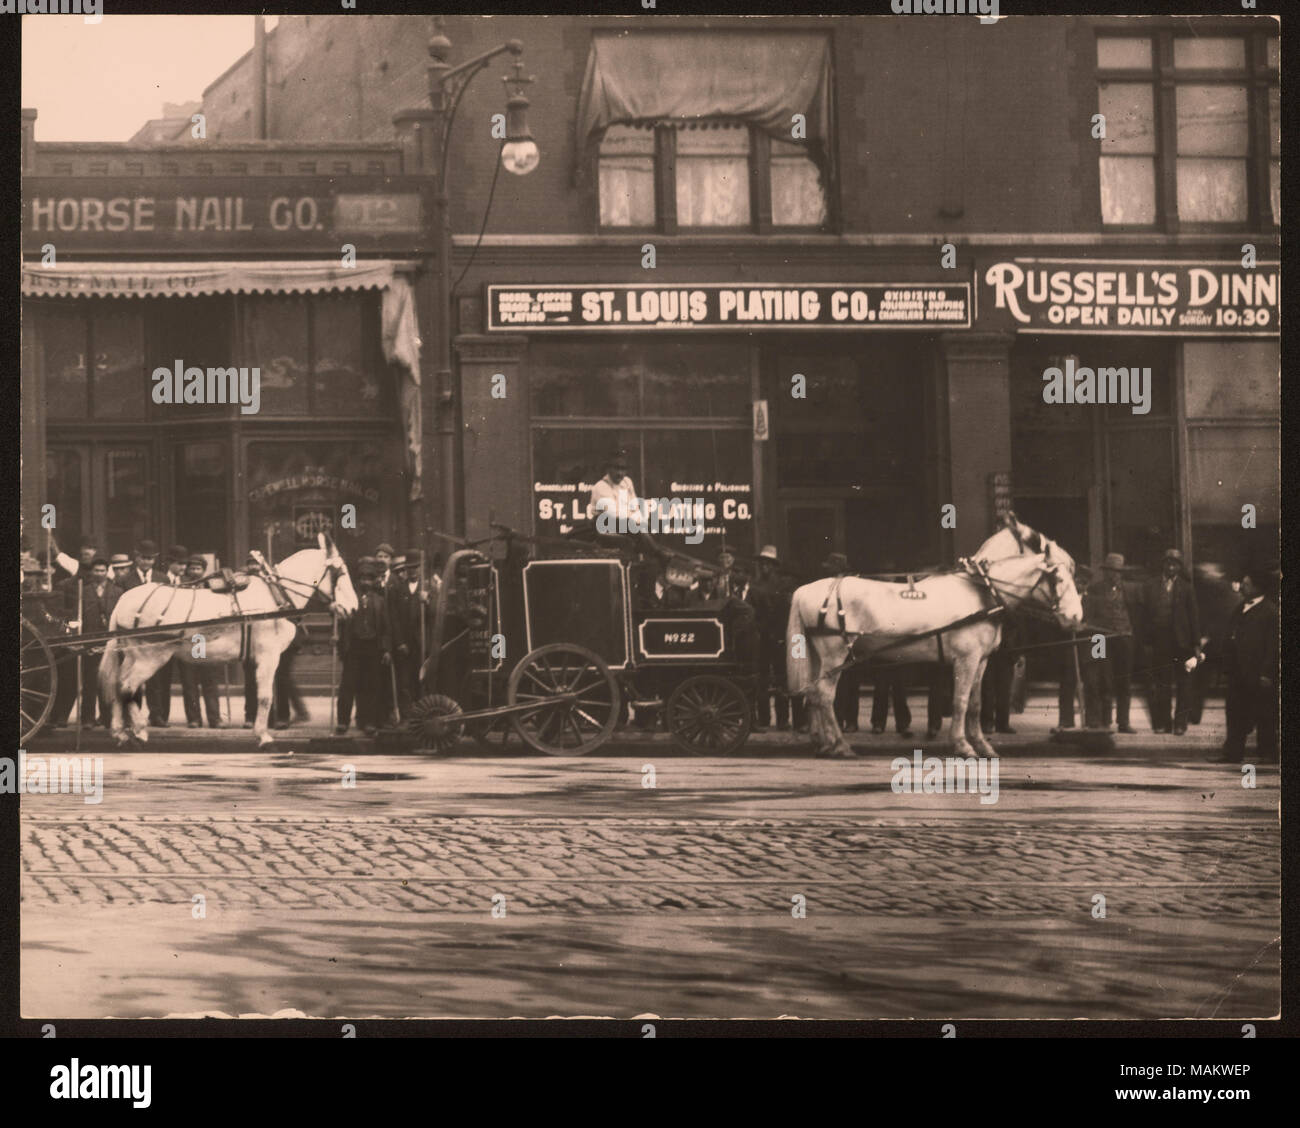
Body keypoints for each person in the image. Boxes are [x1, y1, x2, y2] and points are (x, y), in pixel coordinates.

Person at [1209, 570, 1278, 763]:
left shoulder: (1270, 612)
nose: (1242, 586)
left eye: (1246, 584)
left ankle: (1267, 754)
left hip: (1257, 673)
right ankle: (1232, 752)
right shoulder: (1241, 607)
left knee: (1264, 714)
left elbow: (1273, 646)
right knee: (1235, 712)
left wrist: (1267, 673)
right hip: (1238, 672)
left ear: (1258, 587)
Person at [53, 557, 120, 728]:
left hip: (108, 642)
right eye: (96, 570)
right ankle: (87, 719)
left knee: (107, 681)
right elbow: (77, 615)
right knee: (89, 682)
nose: (99, 573)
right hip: (89, 641)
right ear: (92, 572)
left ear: (107, 572)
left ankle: (106, 718)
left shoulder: (117, 591)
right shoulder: (83, 590)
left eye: (102, 570)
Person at [1140, 548, 1200, 735]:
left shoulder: (1186, 587)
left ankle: (1180, 723)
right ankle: (1164, 723)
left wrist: (1196, 644)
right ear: (1163, 564)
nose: (1171, 566)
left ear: (1179, 567)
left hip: (1182, 643)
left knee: (1184, 685)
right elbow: (1143, 615)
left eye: (1175, 564)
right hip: (1159, 642)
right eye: (1168, 563)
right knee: (1162, 684)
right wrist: (1145, 641)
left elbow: (1194, 616)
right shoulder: (1150, 586)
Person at [335, 561, 393, 736]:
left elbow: (385, 627)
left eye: (369, 579)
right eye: (362, 579)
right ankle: (343, 722)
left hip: (373, 647)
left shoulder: (380, 602)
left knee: (371, 686)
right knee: (347, 686)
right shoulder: (349, 599)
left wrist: (386, 649)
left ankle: (369, 722)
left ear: (374, 581)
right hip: (353, 647)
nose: (366, 583)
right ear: (358, 581)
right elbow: (340, 621)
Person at [1081, 553, 1136, 732]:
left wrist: (1129, 632)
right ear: (1105, 572)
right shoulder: (1095, 589)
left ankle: (1123, 722)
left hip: (1123, 638)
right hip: (1099, 639)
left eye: (1117, 572)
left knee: (1124, 681)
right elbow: (1088, 615)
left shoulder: (1129, 590)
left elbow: (1137, 615)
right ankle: (1099, 720)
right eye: (1110, 571)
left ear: (1121, 573)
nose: (1114, 575)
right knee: (1097, 678)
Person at [585, 449, 671, 561]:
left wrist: (641, 521)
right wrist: (636, 522)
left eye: (623, 469)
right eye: (616, 468)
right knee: (635, 527)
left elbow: (634, 506)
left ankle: (655, 560)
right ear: (608, 469)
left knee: (651, 525)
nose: (620, 473)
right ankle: (659, 555)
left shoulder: (627, 482)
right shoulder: (600, 487)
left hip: (625, 523)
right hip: (606, 525)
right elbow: (614, 514)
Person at [747, 546, 793, 730]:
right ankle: (764, 719)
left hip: (780, 638)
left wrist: (783, 634)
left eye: (768, 563)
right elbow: (751, 612)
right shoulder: (754, 585)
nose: (764, 566)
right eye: (762, 563)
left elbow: (787, 611)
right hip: (762, 638)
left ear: (774, 566)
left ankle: (782, 720)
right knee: (762, 680)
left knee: (782, 679)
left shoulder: (783, 585)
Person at [178, 554, 223, 728]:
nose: (195, 572)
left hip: (207, 640)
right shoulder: (182, 588)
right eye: (192, 568)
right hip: (187, 640)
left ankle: (215, 718)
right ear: (188, 570)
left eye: (198, 569)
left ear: (204, 571)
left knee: (210, 682)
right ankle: (194, 719)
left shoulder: (212, 588)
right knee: (189, 683)